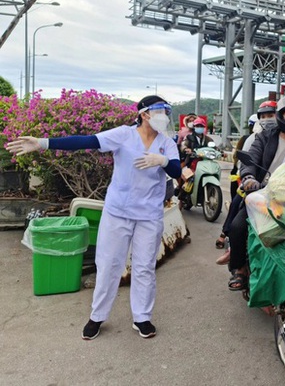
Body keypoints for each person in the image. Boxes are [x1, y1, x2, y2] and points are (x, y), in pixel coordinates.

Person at [7, 95, 181, 340]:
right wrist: (43, 143)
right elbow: (86, 141)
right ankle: (97, 316)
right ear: (144, 114)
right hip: (118, 211)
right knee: (109, 264)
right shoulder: (123, 135)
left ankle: (142, 317)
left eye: (166, 111)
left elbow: (176, 169)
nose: (165, 116)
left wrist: (162, 160)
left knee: (144, 268)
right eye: (160, 111)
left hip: (149, 215)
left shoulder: (166, 143)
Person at [227, 94, 285, 291]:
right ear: (281, 116)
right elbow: (251, 159)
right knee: (237, 227)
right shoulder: (265, 137)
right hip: (264, 194)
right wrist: (249, 178)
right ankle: (240, 269)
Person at [215, 101, 277, 263]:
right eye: (263, 117)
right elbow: (246, 162)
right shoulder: (255, 139)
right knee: (237, 222)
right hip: (259, 189)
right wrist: (249, 178)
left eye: (271, 115)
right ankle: (238, 265)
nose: (267, 120)